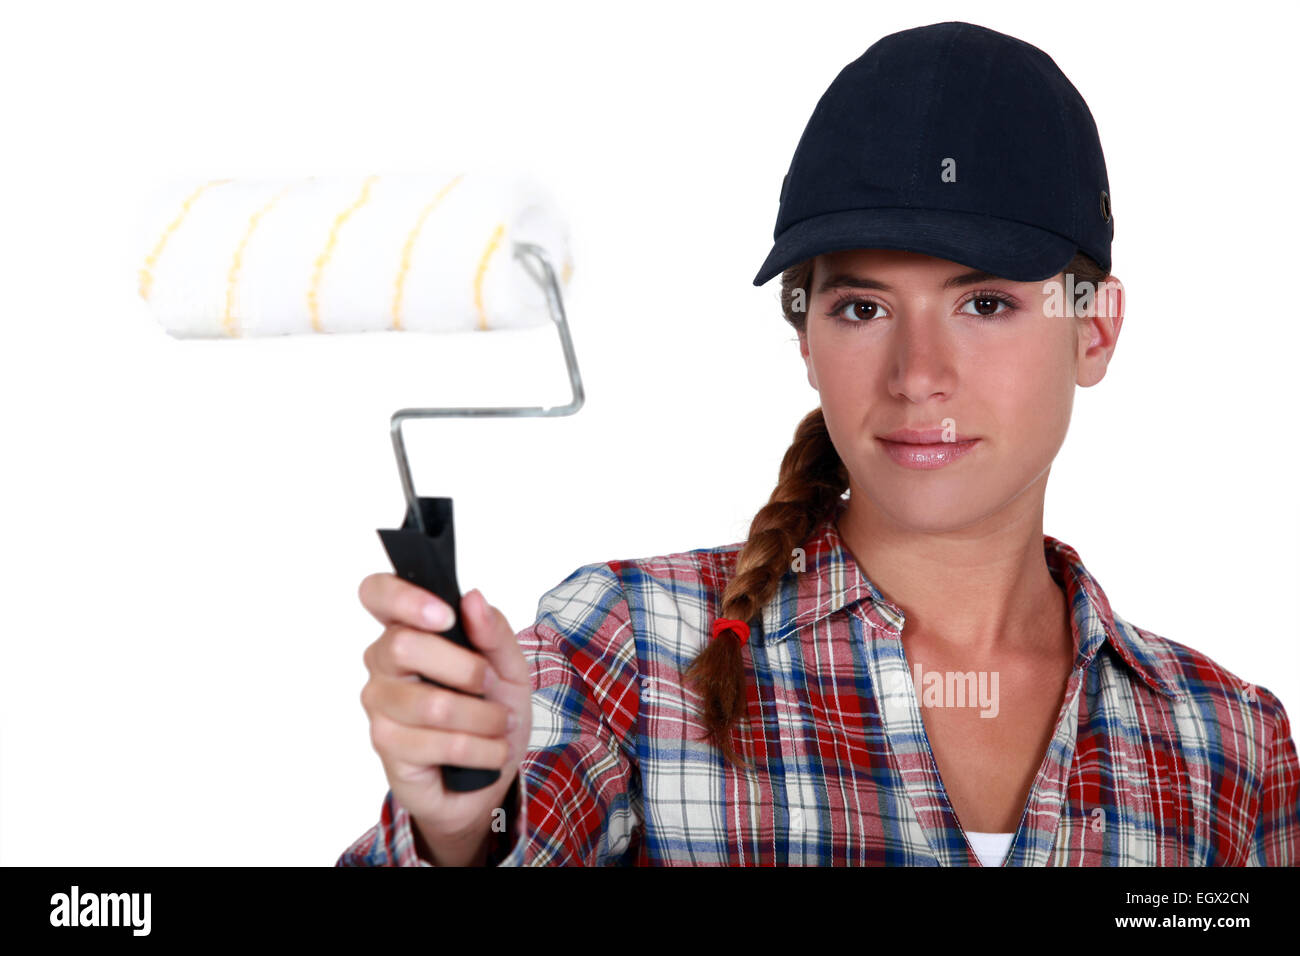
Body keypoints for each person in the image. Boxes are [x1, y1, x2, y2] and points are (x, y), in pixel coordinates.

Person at [337, 20, 1299, 866]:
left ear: (1094, 330)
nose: (917, 373)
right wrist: (461, 832)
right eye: (862, 306)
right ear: (806, 338)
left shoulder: (1227, 746)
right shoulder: (628, 650)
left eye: (986, 302)